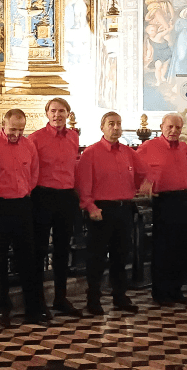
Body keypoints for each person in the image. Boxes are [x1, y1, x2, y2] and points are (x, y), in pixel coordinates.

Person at [77, 112, 151, 315]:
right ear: (102, 127)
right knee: (97, 258)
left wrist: (146, 183)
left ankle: (120, 296)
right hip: (101, 210)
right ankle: (93, 299)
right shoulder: (91, 153)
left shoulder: (128, 152)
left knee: (121, 256)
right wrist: (90, 207)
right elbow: (84, 186)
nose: (116, 127)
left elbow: (144, 173)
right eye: (111, 124)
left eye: (119, 124)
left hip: (124, 209)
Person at [0, 109, 44, 327]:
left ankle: (33, 308)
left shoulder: (28, 145)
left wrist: (25, 190)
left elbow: (34, 173)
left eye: (21, 129)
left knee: (28, 258)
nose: (16, 134)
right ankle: (1, 309)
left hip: (22, 204)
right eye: (13, 129)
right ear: (2, 125)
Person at [27, 98, 83, 318]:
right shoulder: (35, 138)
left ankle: (60, 298)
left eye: (61, 111)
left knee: (62, 251)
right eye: (53, 111)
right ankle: (38, 302)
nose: (57, 115)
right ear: (47, 114)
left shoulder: (73, 136)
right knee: (39, 251)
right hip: (42, 196)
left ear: (68, 114)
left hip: (66, 197)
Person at [136, 113, 187, 306]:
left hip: (186, 199)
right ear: (162, 126)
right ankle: (161, 292)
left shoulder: (183, 146)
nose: (174, 131)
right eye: (170, 127)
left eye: (178, 128)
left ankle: (176, 289)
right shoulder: (148, 147)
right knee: (164, 248)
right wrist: (145, 185)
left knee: (184, 247)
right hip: (165, 200)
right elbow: (134, 169)